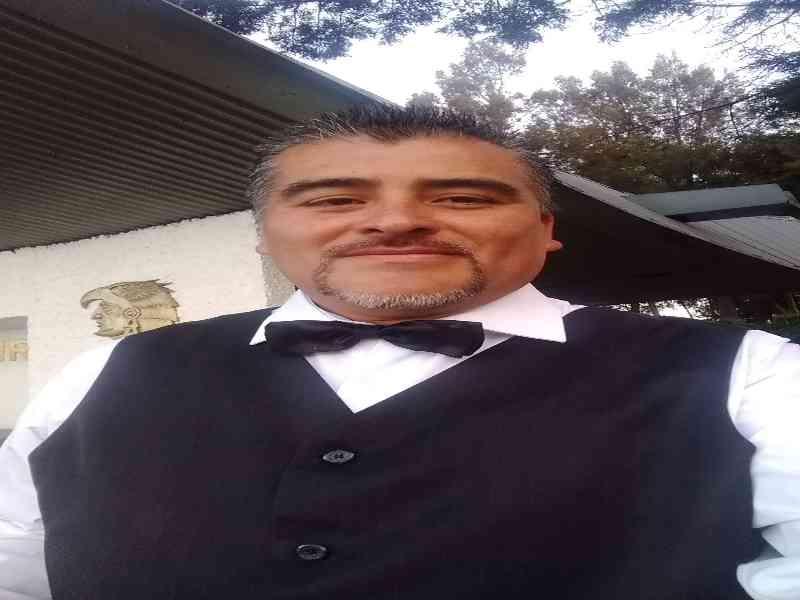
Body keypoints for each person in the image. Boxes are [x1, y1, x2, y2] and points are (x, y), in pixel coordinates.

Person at [1, 104, 798, 600]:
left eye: (461, 197)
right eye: (335, 198)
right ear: (265, 234)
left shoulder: (749, 374)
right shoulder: (110, 371)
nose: (394, 222)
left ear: (547, 230)